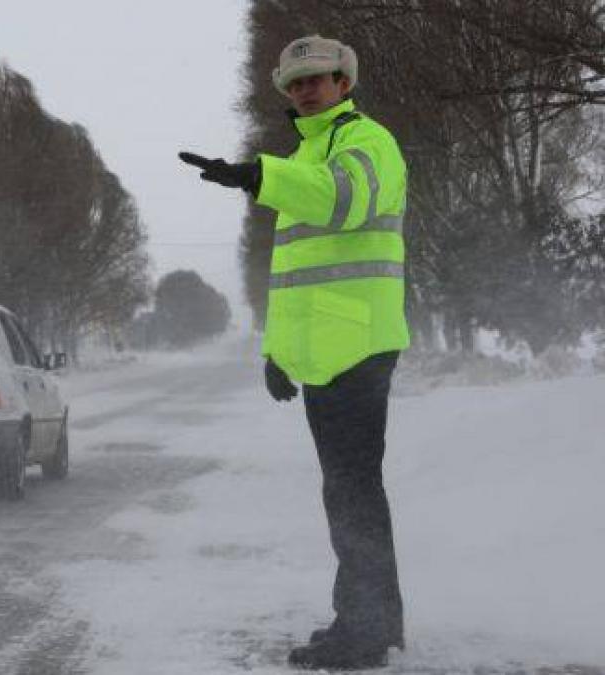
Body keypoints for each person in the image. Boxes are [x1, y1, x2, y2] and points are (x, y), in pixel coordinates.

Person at [179, 35, 410, 670]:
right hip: (330, 352)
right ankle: (371, 622)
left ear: (344, 83)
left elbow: (343, 199)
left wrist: (261, 175)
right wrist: (279, 353)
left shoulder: (367, 142)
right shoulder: (309, 155)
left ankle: (365, 629)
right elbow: (299, 282)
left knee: (353, 491)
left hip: (358, 350)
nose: (308, 89)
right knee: (347, 490)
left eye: (320, 79)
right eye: (297, 82)